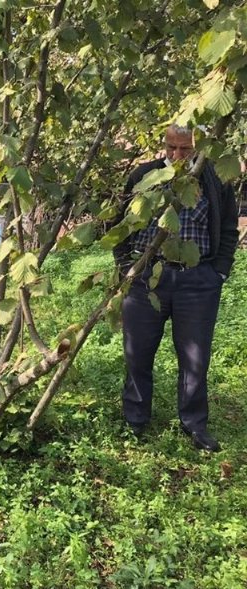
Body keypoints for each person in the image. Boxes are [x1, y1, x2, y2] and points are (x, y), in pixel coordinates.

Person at [113, 124, 238, 451]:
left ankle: (195, 425)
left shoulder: (214, 180)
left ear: (198, 148)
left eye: (185, 149)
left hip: (197, 281)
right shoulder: (144, 176)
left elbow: (228, 227)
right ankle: (135, 419)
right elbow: (118, 222)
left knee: (195, 357)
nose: (177, 155)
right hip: (145, 279)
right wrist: (126, 267)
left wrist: (219, 272)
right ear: (163, 145)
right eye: (171, 148)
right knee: (137, 352)